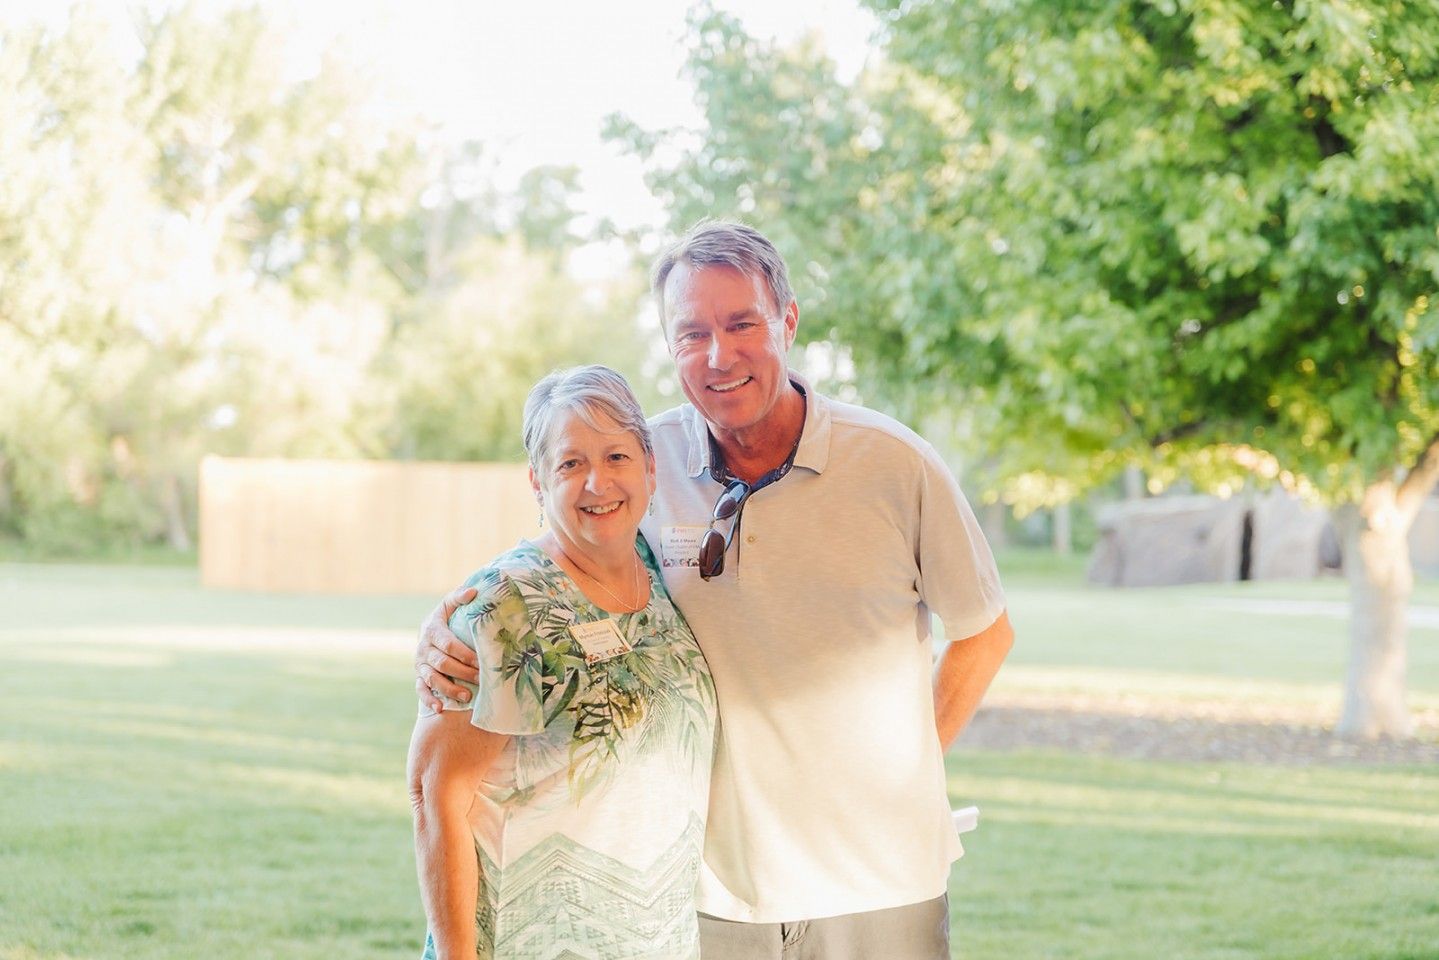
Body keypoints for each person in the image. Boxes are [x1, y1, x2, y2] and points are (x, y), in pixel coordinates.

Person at [415, 221, 1014, 959]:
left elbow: (984, 630)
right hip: (704, 893)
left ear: (787, 322)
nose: (717, 355)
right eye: (690, 332)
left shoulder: (895, 464)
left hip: (879, 882)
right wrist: (452, 626)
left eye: (741, 325)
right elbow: (557, 565)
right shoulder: (642, 456)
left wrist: (907, 765)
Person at [406, 365, 717, 960]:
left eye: (617, 457)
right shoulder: (505, 605)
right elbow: (434, 794)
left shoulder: (661, 575)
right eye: (571, 464)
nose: (598, 483)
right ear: (537, 482)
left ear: (651, 468)